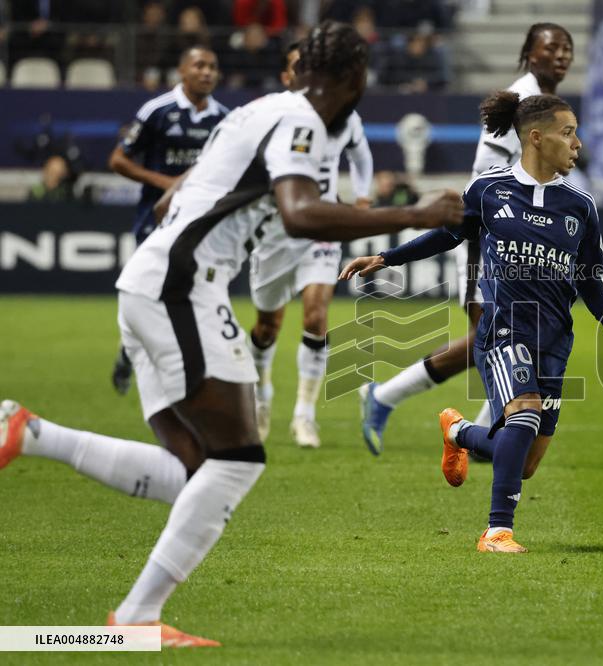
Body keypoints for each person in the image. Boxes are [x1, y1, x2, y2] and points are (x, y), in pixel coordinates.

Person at [0, 21, 462, 646]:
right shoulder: (301, 121)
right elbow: (300, 215)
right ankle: (135, 619)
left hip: (155, 281)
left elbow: (170, 204)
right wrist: (416, 213)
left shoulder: (253, 113)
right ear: (353, 79)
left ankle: (30, 433)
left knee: (195, 468)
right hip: (183, 288)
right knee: (239, 458)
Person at [341, 91, 603, 553]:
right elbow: (445, 235)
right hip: (503, 329)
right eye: (568, 132)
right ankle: (497, 531)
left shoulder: (581, 206)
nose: (577, 144)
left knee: (526, 461)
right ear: (536, 138)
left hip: (555, 340)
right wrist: (386, 256)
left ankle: (458, 431)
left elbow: (587, 278)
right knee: (524, 412)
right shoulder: (490, 190)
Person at [358, 22, 575, 456]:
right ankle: (394, 402)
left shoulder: (549, 104)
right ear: (530, 53)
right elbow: (483, 177)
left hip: (517, 240)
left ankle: (478, 432)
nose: (562, 54)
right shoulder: (521, 101)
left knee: (504, 341)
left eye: (566, 47)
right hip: (488, 238)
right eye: (551, 47)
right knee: (490, 341)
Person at [247, 41, 374, 448]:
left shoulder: (343, 115)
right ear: (287, 75)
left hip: (320, 224)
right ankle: (261, 395)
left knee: (316, 316)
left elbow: (361, 154)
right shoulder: (270, 112)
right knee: (268, 326)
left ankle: (304, 415)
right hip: (275, 230)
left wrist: (363, 197)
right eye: (297, 66)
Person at [108, 46, 227, 396]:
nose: (207, 72)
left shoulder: (225, 118)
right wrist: (168, 185)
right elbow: (118, 160)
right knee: (151, 290)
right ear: (182, 71)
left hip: (201, 221)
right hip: (155, 217)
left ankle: (184, 369)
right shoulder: (157, 111)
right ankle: (131, 351)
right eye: (199, 65)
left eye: (212, 66)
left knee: (189, 291)